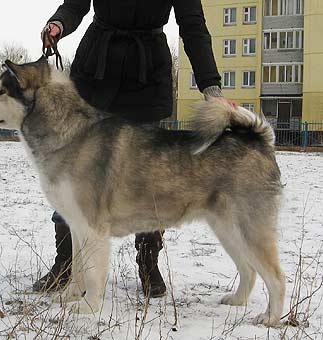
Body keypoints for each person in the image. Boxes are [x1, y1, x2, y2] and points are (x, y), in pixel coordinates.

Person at [33, 0, 226, 298]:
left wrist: (210, 85)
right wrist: (58, 24)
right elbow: (74, 4)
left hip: (147, 74)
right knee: (73, 171)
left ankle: (148, 262)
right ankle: (66, 262)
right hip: (95, 68)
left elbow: (193, 25)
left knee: (149, 179)